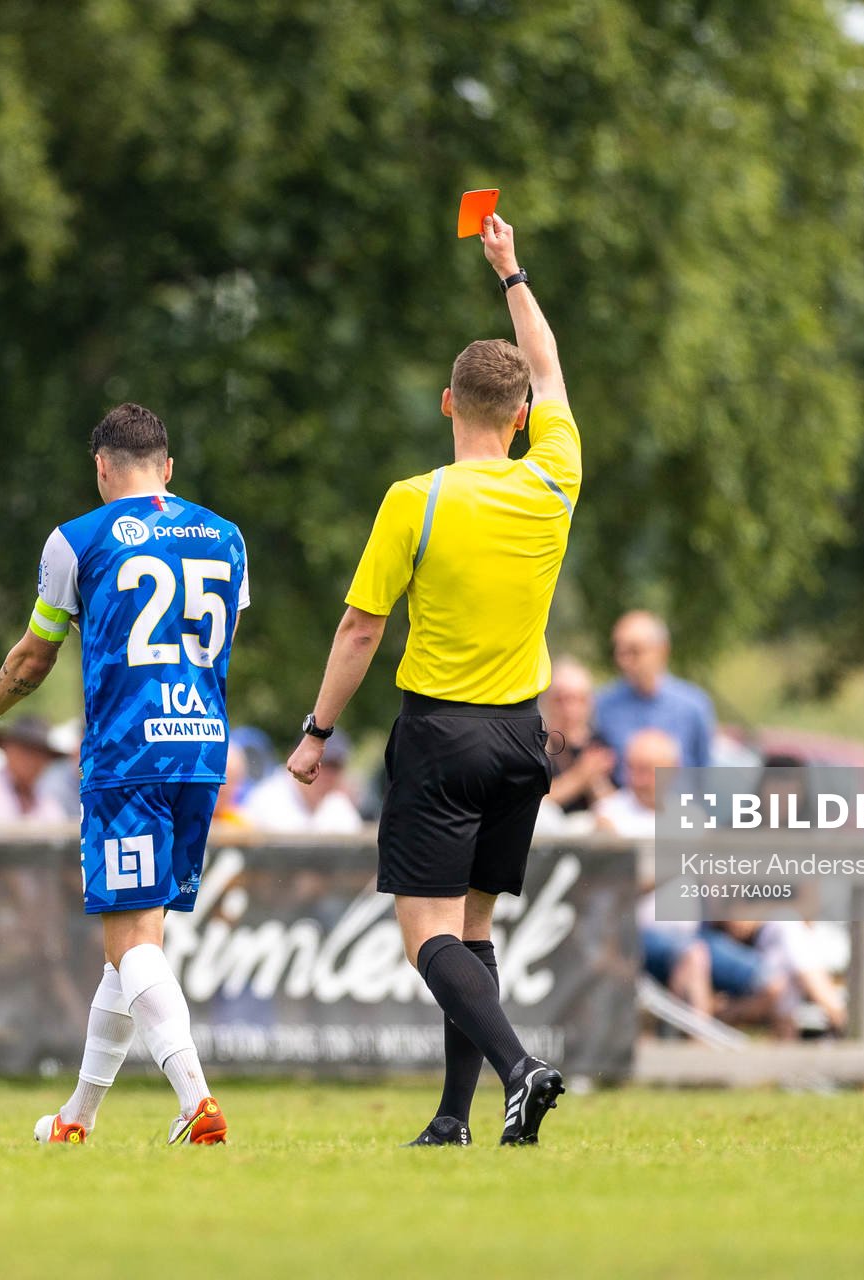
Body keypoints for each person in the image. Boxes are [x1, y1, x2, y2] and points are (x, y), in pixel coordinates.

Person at [284, 211, 576, 1147]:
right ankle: (454, 1119)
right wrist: (512, 273)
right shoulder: (554, 477)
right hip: (524, 740)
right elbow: (553, 364)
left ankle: (520, 1070)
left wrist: (317, 731)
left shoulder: (419, 498)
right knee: (474, 931)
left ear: (449, 405)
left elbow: (361, 627)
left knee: (427, 938)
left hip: (443, 736)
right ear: (523, 416)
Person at [0, 402, 247, 1147]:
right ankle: (77, 1117)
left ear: (102, 466)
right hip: (201, 750)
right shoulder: (227, 537)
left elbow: (35, 656)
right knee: (136, 942)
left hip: (127, 757)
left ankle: (195, 1100)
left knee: (130, 945)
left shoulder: (77, 540)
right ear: (168, 467)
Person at [593, 610, 714, 779]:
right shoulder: (602, 705)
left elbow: (704, 769)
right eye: (620, 652)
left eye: (635, 651)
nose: (625, 661)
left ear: (662, 651)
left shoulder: (693, 705)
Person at [0, 716, 71, 825]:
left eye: (39, 755)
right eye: (25, 752)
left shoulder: (48, 803)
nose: (32, 761)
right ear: (7, 749)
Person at [239, 732, 362, 833]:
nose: (328, 775)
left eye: (335, 766)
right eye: (320, 763)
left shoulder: (339, 805)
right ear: (296, 757)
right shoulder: (264, 800)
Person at [541, 656, 613, 814]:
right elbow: (535, 802)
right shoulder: (538, 742)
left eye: (577, 700)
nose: (569, 709)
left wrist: (596, 781)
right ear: (547, 701)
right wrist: (580, 776)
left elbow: (615, 805)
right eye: (560, 700)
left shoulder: (599, 743)